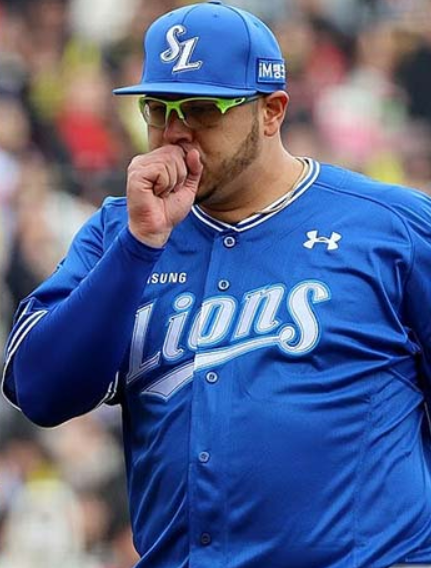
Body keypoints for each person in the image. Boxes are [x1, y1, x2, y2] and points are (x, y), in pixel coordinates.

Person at [2, 2, 431, 567]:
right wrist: (138, 247)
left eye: (203, 109)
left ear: (271, 111)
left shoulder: (393, 227)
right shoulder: (118, 231)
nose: (175, 132)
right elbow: (40, 390)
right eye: (159, 109)